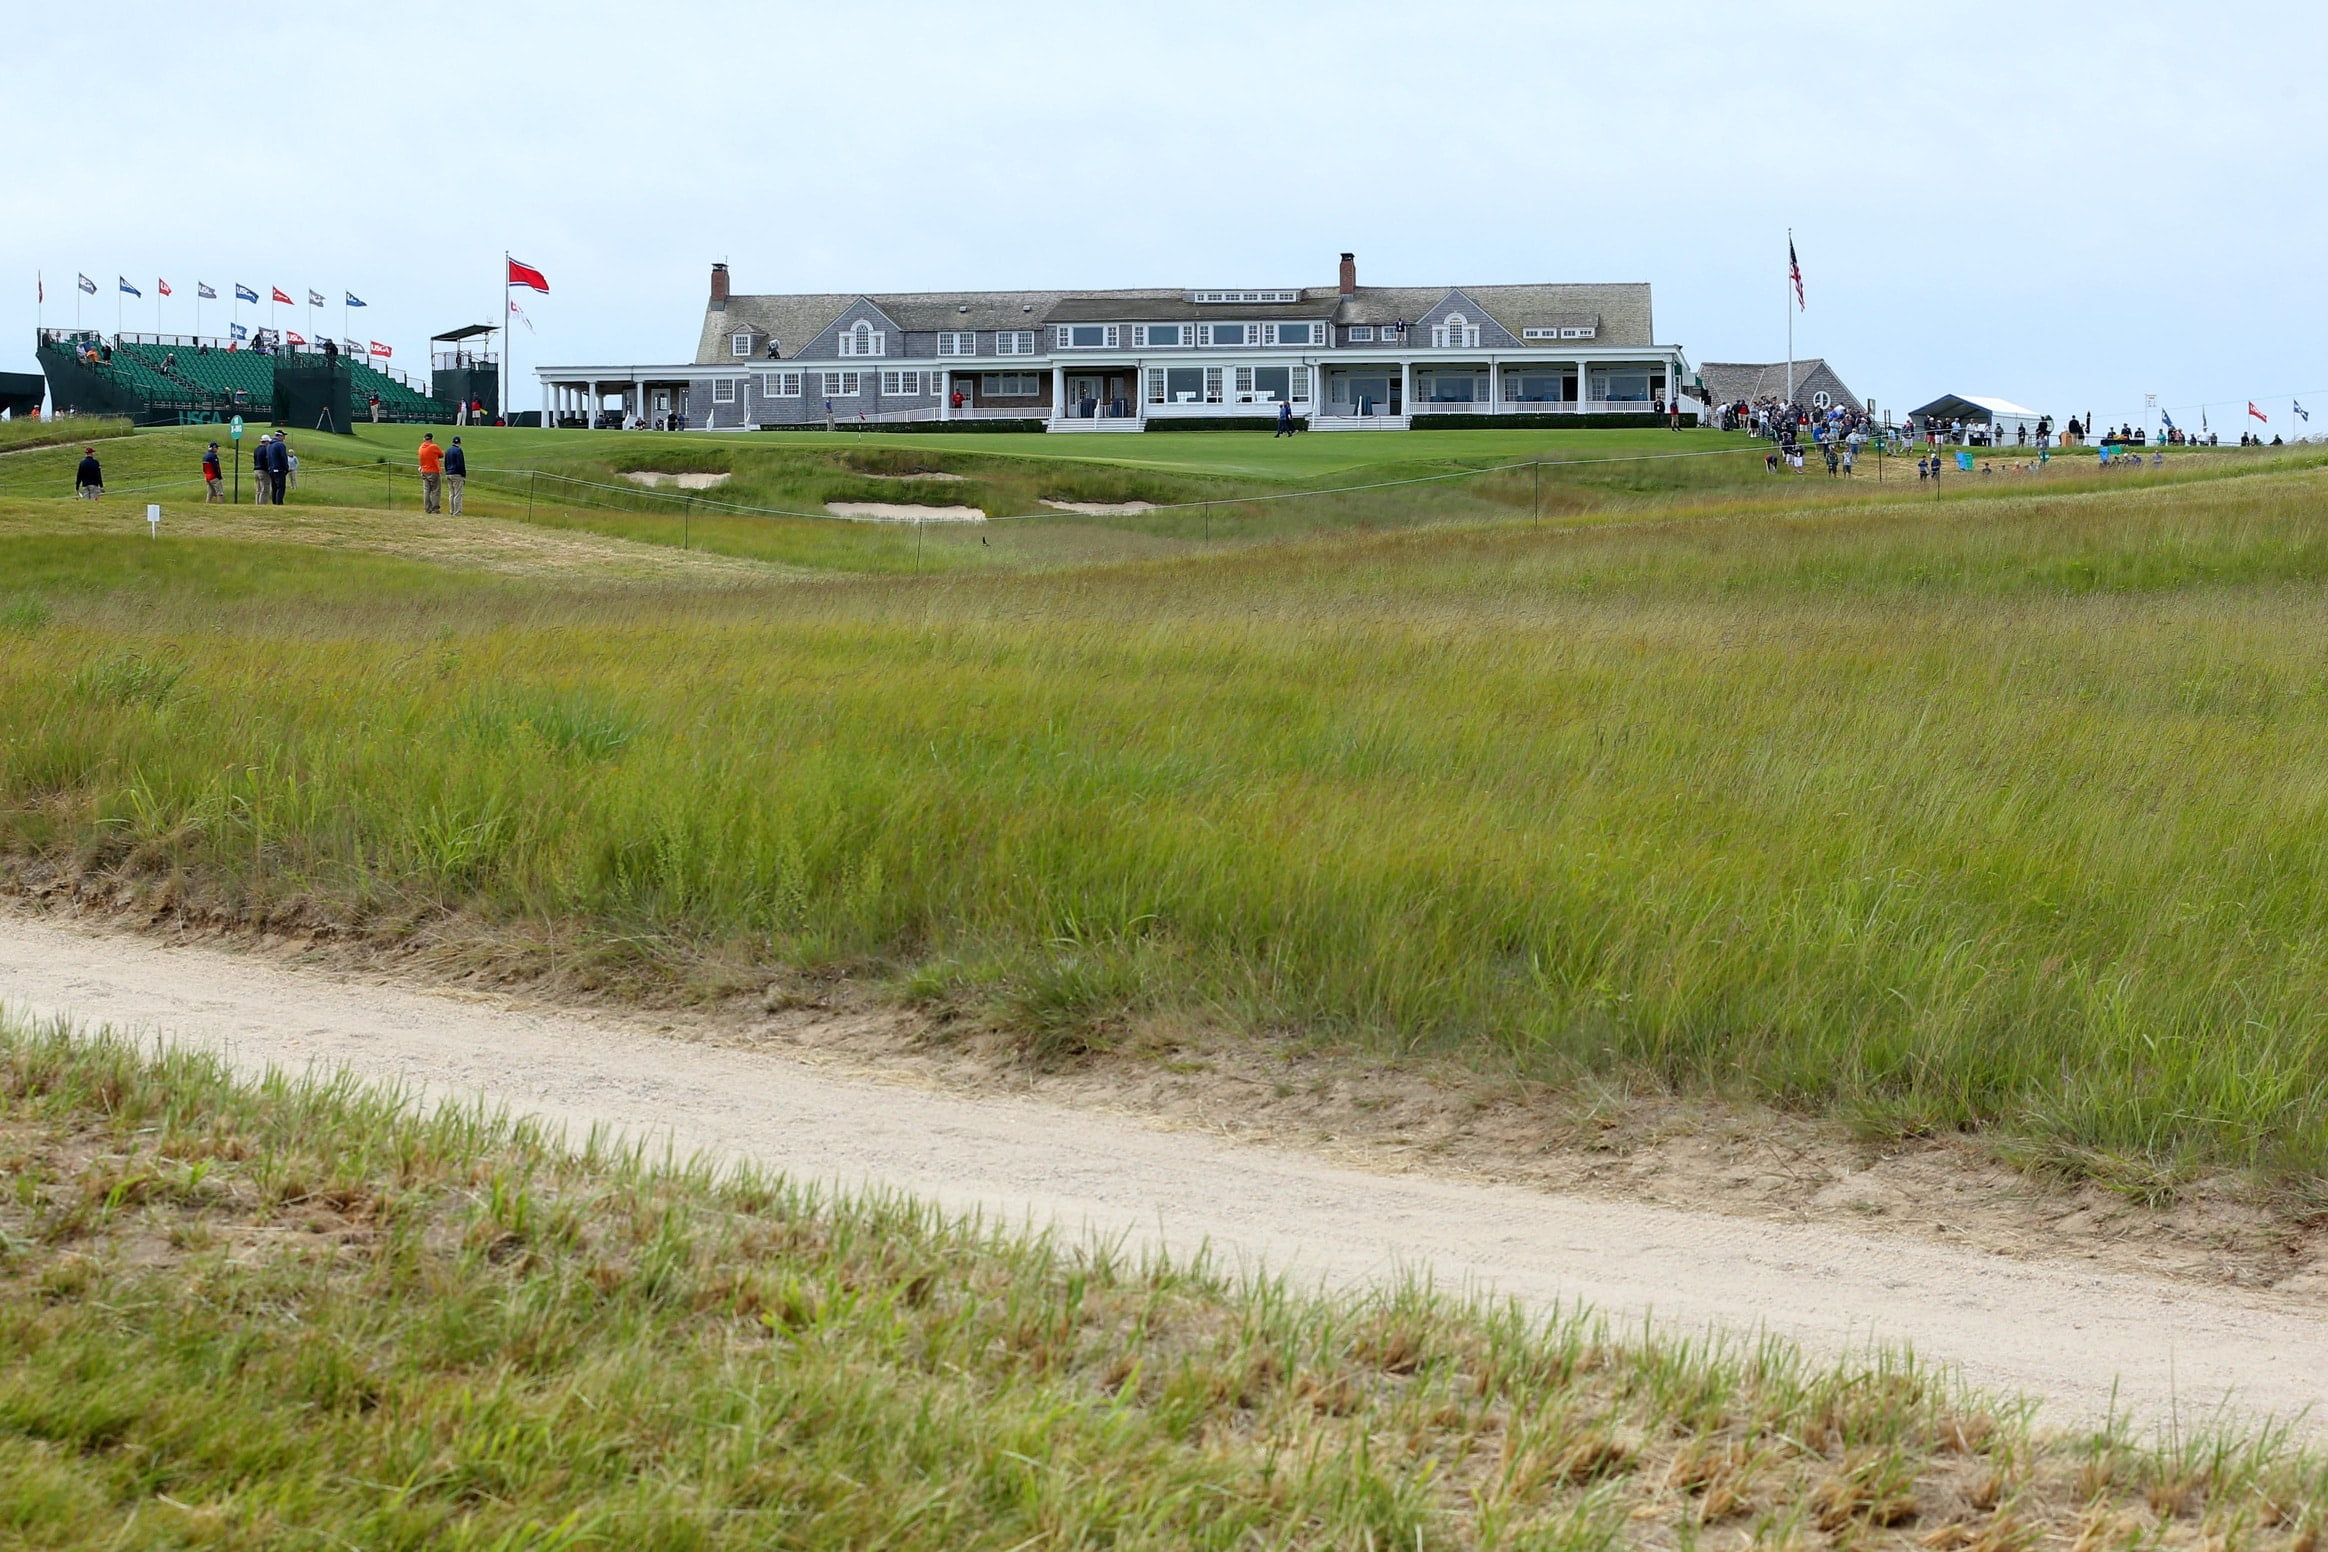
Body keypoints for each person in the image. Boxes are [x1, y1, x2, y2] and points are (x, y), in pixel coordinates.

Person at [417, 431, 444, 513]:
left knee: (426, 490)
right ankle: (435, 508)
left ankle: (427, 508)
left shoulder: (421, 447)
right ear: (432, 439)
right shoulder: (433, 447)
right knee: (436, 490)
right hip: (433, 471)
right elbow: (441, 454)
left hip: (424, 470)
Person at [445, 434, 467, 514]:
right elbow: (460, 464)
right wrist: (463, 474)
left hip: (449, 473)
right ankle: (457, 511)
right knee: (458, 493)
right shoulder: (458, 450)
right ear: (459, 443)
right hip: (457, 474)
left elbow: (446, 463)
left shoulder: (448, 450)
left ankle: (452, 510)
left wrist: (447, 472)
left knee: (451, 493)